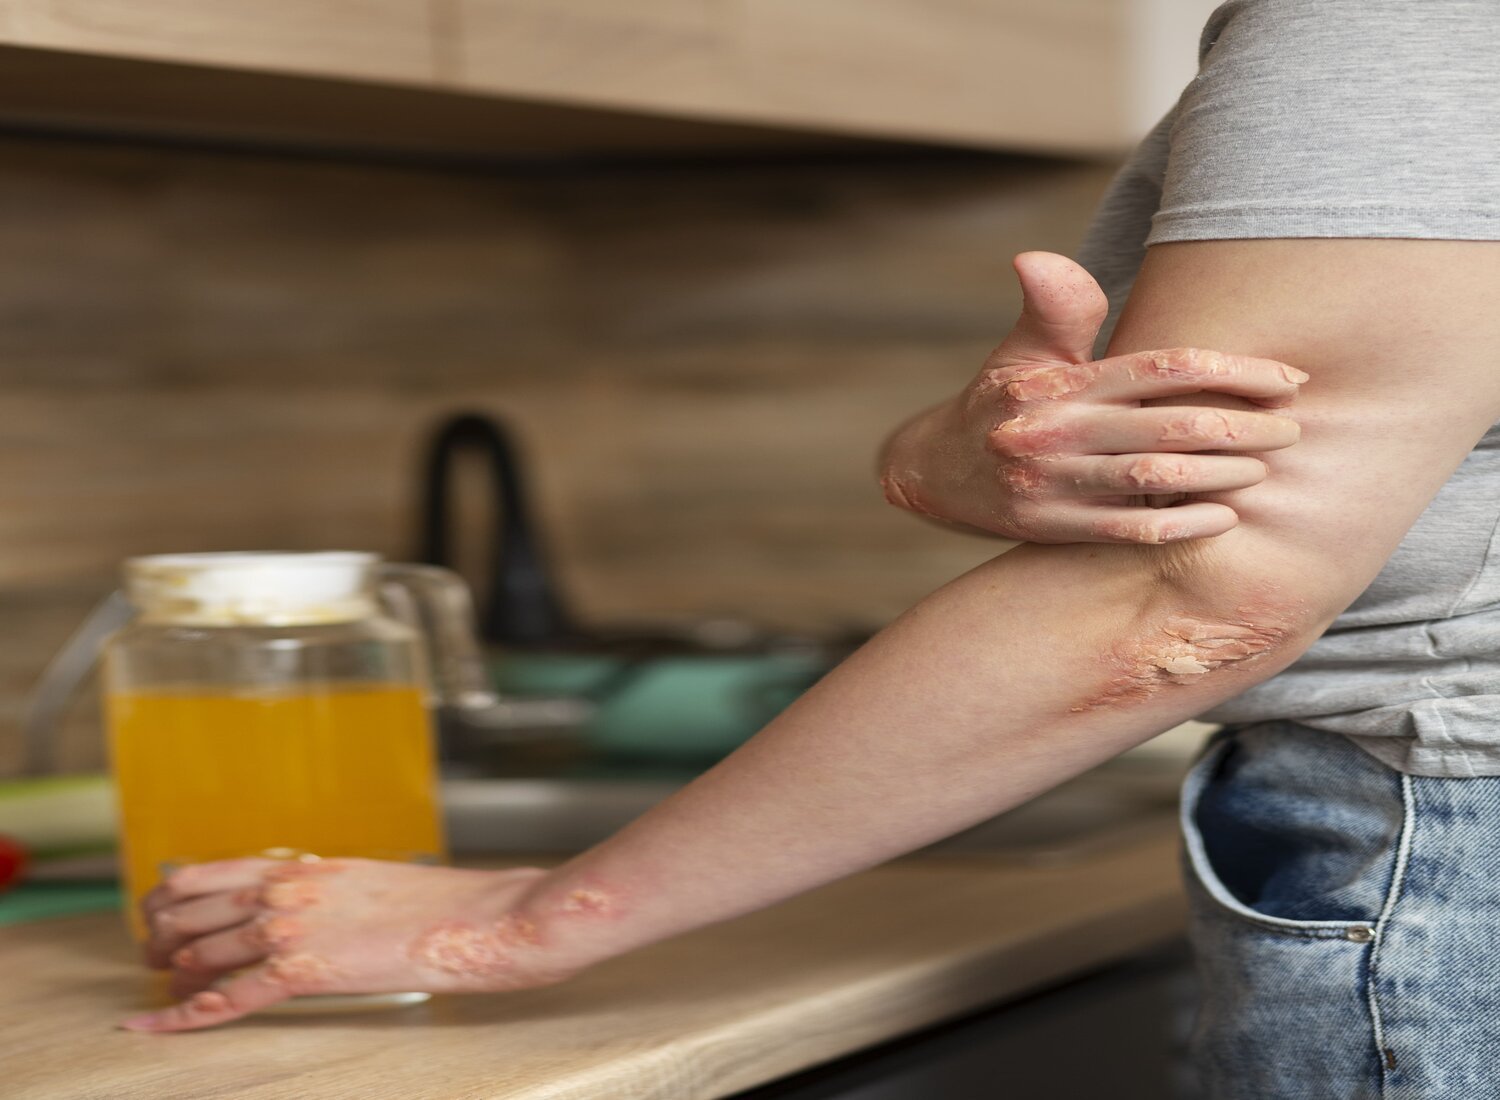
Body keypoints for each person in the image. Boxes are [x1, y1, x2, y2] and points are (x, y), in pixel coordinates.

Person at [125, 2, 1500, 1096]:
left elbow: (1185, 594)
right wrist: (933, 460)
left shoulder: (1393, 25)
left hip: (1446, 864)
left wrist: (528, 915)